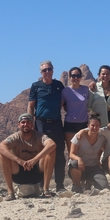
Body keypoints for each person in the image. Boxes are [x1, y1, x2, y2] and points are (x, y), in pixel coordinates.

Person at [0, 113, 57, 200]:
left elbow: (52, 144)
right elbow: (0, 147)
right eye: (23, 122)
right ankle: (10, 193)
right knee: (3, 154)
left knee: (51, 152)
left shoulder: (39, 136)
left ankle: (46, 189)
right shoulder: (15, 137)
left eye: (28, 122)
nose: (26, 124)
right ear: (19, 125)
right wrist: (19, 160)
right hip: (19, 173)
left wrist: (35, 160)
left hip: (37, 173)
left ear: (32, 124)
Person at [28, 60, 66, 193]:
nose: (47, 72)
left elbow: (63, 102)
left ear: (53, 70)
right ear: (41, 72)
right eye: (44, 70)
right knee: (43, 154)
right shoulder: (36, 86)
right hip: (40, 123)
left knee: (59, 154)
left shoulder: (59, 85)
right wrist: (30, 121)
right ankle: (42, 185)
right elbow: (31, 105)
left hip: (56, 123)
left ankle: (60, 185)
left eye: (49, 69)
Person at [68, 116, 108, 193]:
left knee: (103, 186)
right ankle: (77, 185)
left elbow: (105, 149)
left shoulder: (101, 139)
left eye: (97, 126)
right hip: (80, 167)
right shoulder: (79, 137)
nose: (95, 128)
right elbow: (71, 154)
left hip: (93, 167)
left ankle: (90, 182)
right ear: (88, 126)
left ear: (100, 126)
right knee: (74, 164)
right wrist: (79, 159)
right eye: (92, 125)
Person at [62, 66, 92, 153]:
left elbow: (91, 103)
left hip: (83, 124)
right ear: (70, 77)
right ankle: (72, 167)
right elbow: (61, 105)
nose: (76, 78)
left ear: (81, 77)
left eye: (78, 76)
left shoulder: (86, 89)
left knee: (84, 151)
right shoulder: (65, 91)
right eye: (73, 76)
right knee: (72, 152)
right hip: (70, 124)